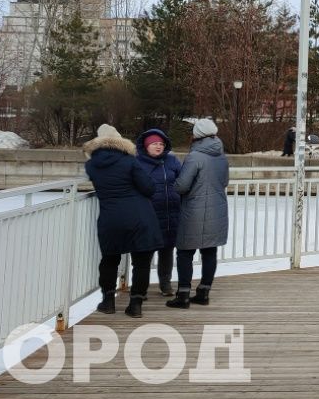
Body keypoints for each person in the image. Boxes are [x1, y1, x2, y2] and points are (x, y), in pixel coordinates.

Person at [83, 124, 163, 318]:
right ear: (120, 141)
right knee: (142, 262)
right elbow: (148, 188)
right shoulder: (130, 161)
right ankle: (135, 305)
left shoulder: (91, 165)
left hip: (111, 218)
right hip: (140, 217)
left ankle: (108, 301)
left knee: (110, 259)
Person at [168, 118, 230, 308]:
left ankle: (183, 295)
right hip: (217, 209)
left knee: (185, 252)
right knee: (209, 252)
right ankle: (203, 293)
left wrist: (173, 182)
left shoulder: (194, 156)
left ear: (197, 135)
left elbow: (182, 186)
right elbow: (225, 182)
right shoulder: (222, 156)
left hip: (194, 211)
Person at [135, 128, 181, 297]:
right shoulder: (137, 163)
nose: (158, 147)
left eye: (161, 144)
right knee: (145, 253)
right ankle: (141, 287)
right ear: (146, 146)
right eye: (154, 143)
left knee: (167, 250)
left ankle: (165, 284)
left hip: (170, 214)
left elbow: (182, 180)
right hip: (148, 214)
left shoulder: (172, 161)